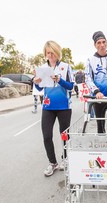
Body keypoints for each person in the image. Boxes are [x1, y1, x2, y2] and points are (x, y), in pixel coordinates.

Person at [33, 41, 74, 177]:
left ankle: (65, 159)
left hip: (64, 106)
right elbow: (40, 87)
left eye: (52, 52)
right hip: (48, 106)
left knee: (64, 136)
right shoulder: (43, 68)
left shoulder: (66, 67)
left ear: (57, 53)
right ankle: (53, 163)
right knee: (46, 136)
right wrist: (37, 82)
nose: (50, 55)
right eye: (48, 53)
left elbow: (70, 86)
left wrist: (59, 80)